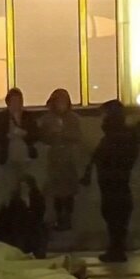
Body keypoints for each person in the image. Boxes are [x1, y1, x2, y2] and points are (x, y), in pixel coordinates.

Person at [86, 100, 140, 263]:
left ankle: (117, 249)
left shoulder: (116, 136)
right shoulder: (119, 135)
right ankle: (116, 248)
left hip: (114, 184)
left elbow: (108, 158)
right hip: (116, 184)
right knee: (116, 218)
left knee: (115, 217)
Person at [0, 88, 40, 224]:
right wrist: (7, 136)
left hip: (25, 158)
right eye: (14, 101)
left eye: (19, 101)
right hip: (8, 158)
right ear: (8, 102)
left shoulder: (28, 117)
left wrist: (25, 134)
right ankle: (11, 218)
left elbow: (36, 134)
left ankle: (25, 217)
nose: (17, 104)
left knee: (24, 188)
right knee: (10, 189)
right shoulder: (1, 118)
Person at [40, 89, 83, 231]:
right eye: (58, 102)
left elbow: (77, 136)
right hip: (55, 159)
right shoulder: (47, 119)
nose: (61, 105)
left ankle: (68, 218)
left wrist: (64, 133)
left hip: (69, 159)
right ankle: (59, 218)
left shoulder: (73, 118)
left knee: (69, 191)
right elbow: (43, 137)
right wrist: (51, 134)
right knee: (57, 192)